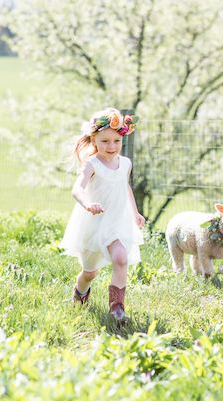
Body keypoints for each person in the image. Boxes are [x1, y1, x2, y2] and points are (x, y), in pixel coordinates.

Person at [60, 107, 145, 321]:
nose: (111, 146)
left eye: (116, 141)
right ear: (94, 140)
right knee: (90, 272)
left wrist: (135, 213)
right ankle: (80, 292)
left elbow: (125, 187)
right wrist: (88, 203)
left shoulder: (125, 163)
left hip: (116, 222)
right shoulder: (92, 164)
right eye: (105, 141)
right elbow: (77, 189)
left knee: (121, 258)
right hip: (94, 224)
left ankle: (117, 308)